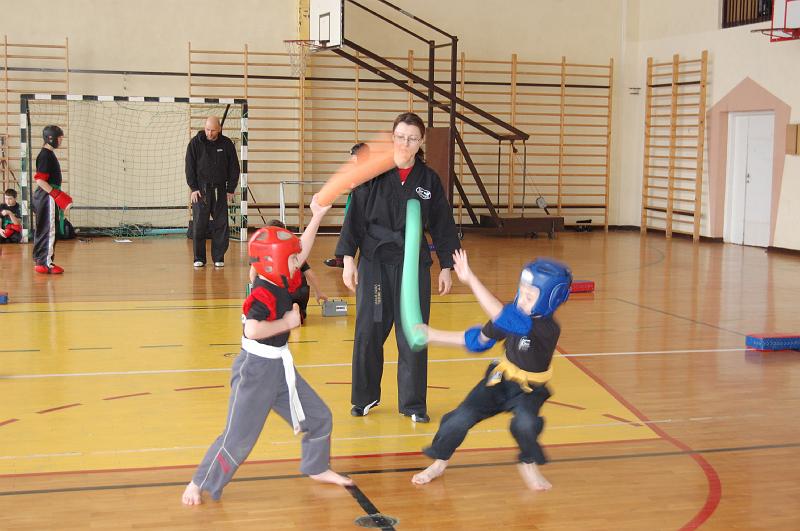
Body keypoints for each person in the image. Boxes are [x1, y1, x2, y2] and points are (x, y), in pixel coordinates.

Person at [182, 195, 353, 506]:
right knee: (238, 439)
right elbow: (252, 329)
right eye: (290, 259)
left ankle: (317, 467)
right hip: (256, 372)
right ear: (274, 261)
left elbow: (301, 251)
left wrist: (316, 216)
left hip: (279, 369)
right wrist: (287, 322)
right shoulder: (262, 292)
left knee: (319, 417)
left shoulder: (280, 277)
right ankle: (199, 482)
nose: (296, 262)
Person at [335, 112, 461, 423]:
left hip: (412, 264)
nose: (406, 143)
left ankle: (413, 405)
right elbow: (354, 217)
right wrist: (348, 259)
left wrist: (447, 266)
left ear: (420, 142)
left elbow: (443, 224)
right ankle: (364, 397)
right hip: (376, 263)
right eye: (401, 137)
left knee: (413, 335)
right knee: (369, 331)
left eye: (412, 138)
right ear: (393, 137)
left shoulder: (429, 180)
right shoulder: (373, 173)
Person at [411, 250, 572, 491]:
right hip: (500, 378)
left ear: (549, 300)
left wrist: (471, 279)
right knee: (459, 419)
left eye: (530, 296)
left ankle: (528, 463)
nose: (522, 299)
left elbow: (500, 315)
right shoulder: (513, 314)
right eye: (522, 292)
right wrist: (433, 335)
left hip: (529, 390)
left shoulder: (547, 329)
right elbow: (478, 340)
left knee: (526, 424)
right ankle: (439, 461)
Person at [185, 116, 240, 268]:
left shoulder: (227, 144)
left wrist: (230, 189)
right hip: (200, 191)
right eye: (207, 129)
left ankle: (218, 257)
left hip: (220, 190)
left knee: (221, 224)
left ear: (219, 129)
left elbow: (234, 168)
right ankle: (199, 258)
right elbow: (189, 167)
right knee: (199, 225)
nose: (209, 133)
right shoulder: (195, 143)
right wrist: (193, 188)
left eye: (213, 130)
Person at [249, 219, 329, 323]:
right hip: (299, 292)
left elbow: (252, 274)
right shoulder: (293, 254)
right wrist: (318, 292)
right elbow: (310, 274)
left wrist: (258, 290)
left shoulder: (263, 255)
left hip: (279, 293)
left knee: (272, 307)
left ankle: (281, 313)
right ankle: (299, 311)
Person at [32, 125, 72, 274]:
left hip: (47, 195)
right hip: (47, 196)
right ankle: (45, 263)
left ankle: (41, 261)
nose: (61, 141)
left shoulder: (48, 154)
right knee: (49, 230)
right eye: (59, 138)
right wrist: (56, 195)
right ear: (51, 138)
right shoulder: (45, 155)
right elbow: (40, 180)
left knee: (45, 229)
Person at [324, 142, 370, 268]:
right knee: (349, 228)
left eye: (354, 156)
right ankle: (342, 258)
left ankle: (345, 259)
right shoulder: (358, 169)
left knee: (357, 231)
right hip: (356, 202)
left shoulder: (370, 169)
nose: (352, 159)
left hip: (365, 207)